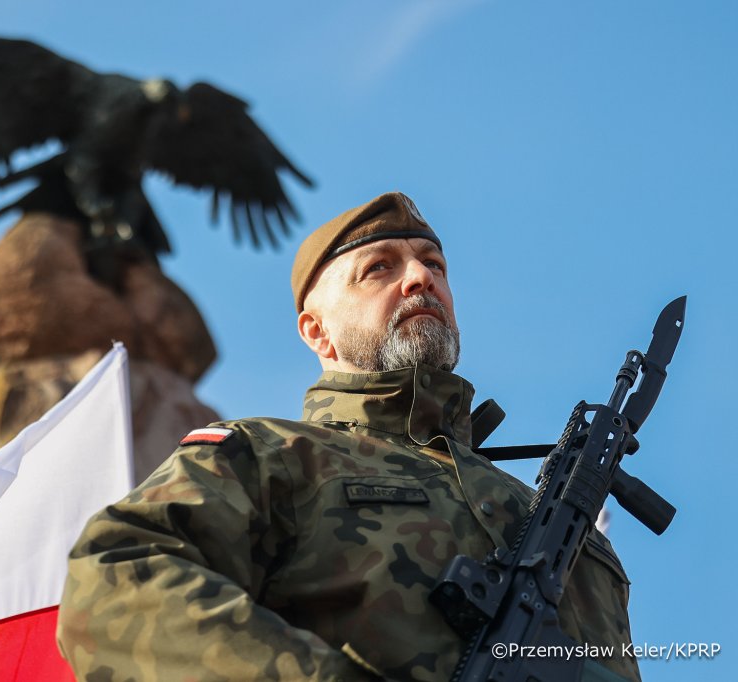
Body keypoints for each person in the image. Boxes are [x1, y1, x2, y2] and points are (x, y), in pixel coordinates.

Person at [56, 192, 640, 681]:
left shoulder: (551, 519)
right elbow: (117, 576)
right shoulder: (269, 456)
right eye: (379, 268)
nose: (419, 279)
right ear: (317, 332)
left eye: (433, 265)